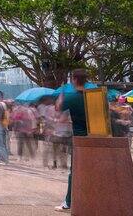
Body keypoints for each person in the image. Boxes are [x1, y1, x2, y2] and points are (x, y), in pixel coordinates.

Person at [54, 69, 90, 213]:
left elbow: (58, 108)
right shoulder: (93, 96)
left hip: (79, 138)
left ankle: (68, 202)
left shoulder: (71, 97)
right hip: (96, 137)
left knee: (74, 171)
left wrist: (62, 93)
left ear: (74, 79)